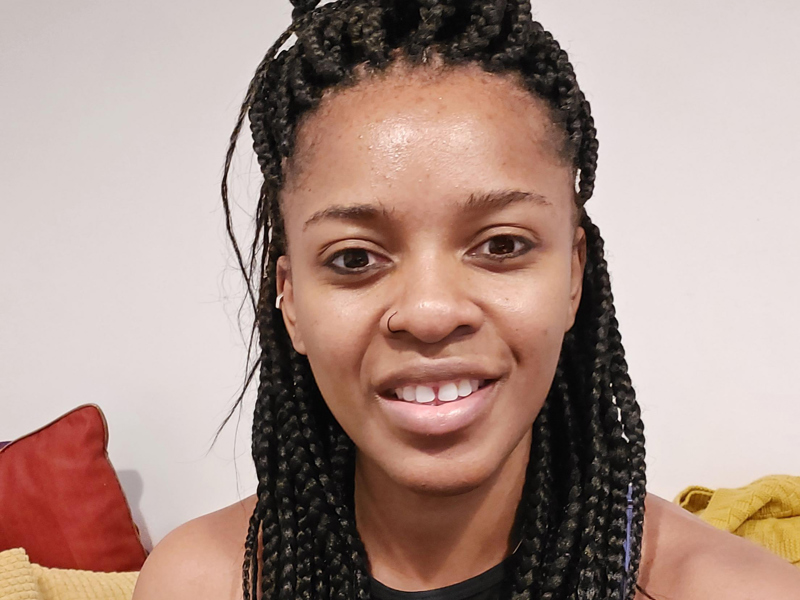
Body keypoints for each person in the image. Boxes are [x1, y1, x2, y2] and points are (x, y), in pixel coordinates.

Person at [131, 2, 800, 599]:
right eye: (355, 258)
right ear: (291, 302)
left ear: (573, 276)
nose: (429, 312)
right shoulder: (201, 582)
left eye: (501, 246)